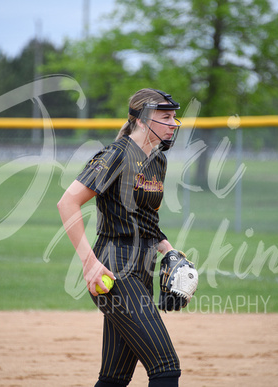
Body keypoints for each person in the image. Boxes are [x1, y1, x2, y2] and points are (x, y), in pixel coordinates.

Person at [57, 88, 183, 387]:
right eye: (165, 117)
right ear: (140, 120)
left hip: (142, 269)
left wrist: (170, 252)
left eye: (174, 117)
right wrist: (89, 264)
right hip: (114, 269)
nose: (173, 123)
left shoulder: (157, 161)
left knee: (114, 378)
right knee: (166, 367)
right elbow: (67, 203)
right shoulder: (117, 154)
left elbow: (147, 222)